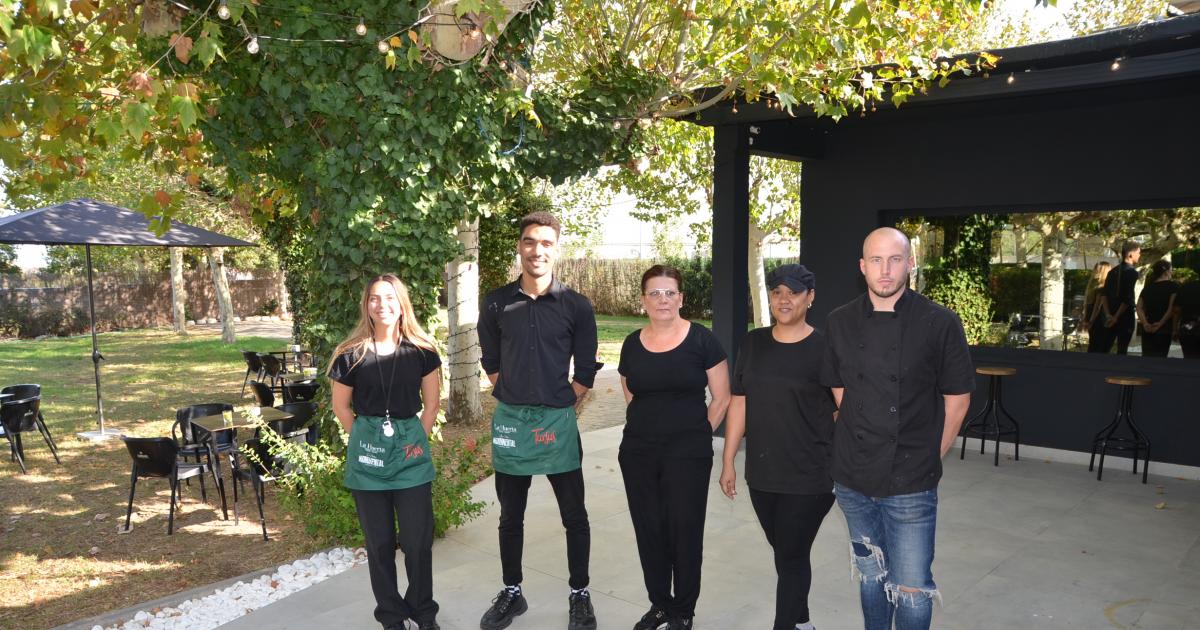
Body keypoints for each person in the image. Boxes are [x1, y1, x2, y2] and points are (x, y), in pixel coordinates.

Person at [820, 227, 974, 630]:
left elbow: (957, 401)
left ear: (910, 263)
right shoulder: (840, 321)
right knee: (872, 575)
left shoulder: (939, 322)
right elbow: (839, 386)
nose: (885, 270)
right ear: (862, 267)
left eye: (894, 259)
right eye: (875, 260)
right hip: (853, 478)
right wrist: (862, 424)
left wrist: (928, 455)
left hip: (911, 480)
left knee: (911, 587)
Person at [478, 211, 599, 630]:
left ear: (556, 249)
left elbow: (585, 370)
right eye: (530, 241)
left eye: (546, 243)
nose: (537, 250)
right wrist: (515, 395)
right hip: (512, 424)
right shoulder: (496, 301)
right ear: (520, 246)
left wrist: (560, 401)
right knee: (511, 516)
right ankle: (512, 592)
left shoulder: (576, 305)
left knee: (574, 516)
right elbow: (490, 361)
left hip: (558, 424)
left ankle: (579, 593)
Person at [720, 264, 836, 630]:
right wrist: (727, 460)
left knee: (792, 552)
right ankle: (801, 622)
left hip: (810, 474)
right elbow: (739, 401)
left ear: (810, 297)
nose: (784, 299)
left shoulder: (826, 346)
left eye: (794, 292)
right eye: (777, 292)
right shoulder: (753, 343)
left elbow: (847, 405)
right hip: (763, 471)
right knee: (786, 554)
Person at [618, 264, 730, 630]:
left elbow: (722, 398)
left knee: (684, 530)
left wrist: (696, 434)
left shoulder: (702, 340)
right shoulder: (632, 343)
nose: (662, 300)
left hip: (688, 455)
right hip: (638, 453)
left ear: (681, 298)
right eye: (654, 293)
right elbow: (630, 392)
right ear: (643, 301)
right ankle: (660, 605)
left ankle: (683, 610)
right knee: (649, 529)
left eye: (669, 293)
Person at [328, 274, 443, 630]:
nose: (383, 305)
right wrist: (367, 441)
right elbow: (341, 408)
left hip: (411, 458)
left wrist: (413, 442)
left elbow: (432, 404)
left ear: (401, 302)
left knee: (417, 542)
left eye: (390, 298)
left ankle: (423, 613)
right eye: (375, 298)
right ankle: (391, 617)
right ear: (367, 305)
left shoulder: (422, 351)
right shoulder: (350, 355)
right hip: (368, 462)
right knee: (378, 545)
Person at [1092, 241, 1142, 354]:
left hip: (1110, 314)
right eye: (1138, 253)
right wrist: (1116, 317)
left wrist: (1109, 314)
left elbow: (1104, 295)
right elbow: (1127, 298)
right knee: (1122, 350)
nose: (1140, 255)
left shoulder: (1112, 271)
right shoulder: (1132, 272)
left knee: (1105, 348)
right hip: (1124, 316)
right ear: (1130, 254)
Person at [1136, 259, 1180, 358]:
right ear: (1166, 272)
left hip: (1147, 328)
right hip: (1164, 329)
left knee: (1147, 358)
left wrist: (1145, 323)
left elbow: (1139, 307)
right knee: (1160, 359)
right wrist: (1160, 324)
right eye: (1171, 270)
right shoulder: (1173, 286)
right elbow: (1172, 309)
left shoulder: (1148, 287)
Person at [1084, 261, 1112, 353]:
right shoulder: (1102, 287)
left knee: (1093, 343)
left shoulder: (1092, 286)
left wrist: (1086, 320)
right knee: (1099, 345)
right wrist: (1091, 321)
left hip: (1090, 315)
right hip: (1098, 318)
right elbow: (1098, 307)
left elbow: (1088, 304)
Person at [1177, 279, 1200, 359]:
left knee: (1188, 358)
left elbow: (1177, 309)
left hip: (1187, 327)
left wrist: (1174, 330)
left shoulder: (1186, 286)